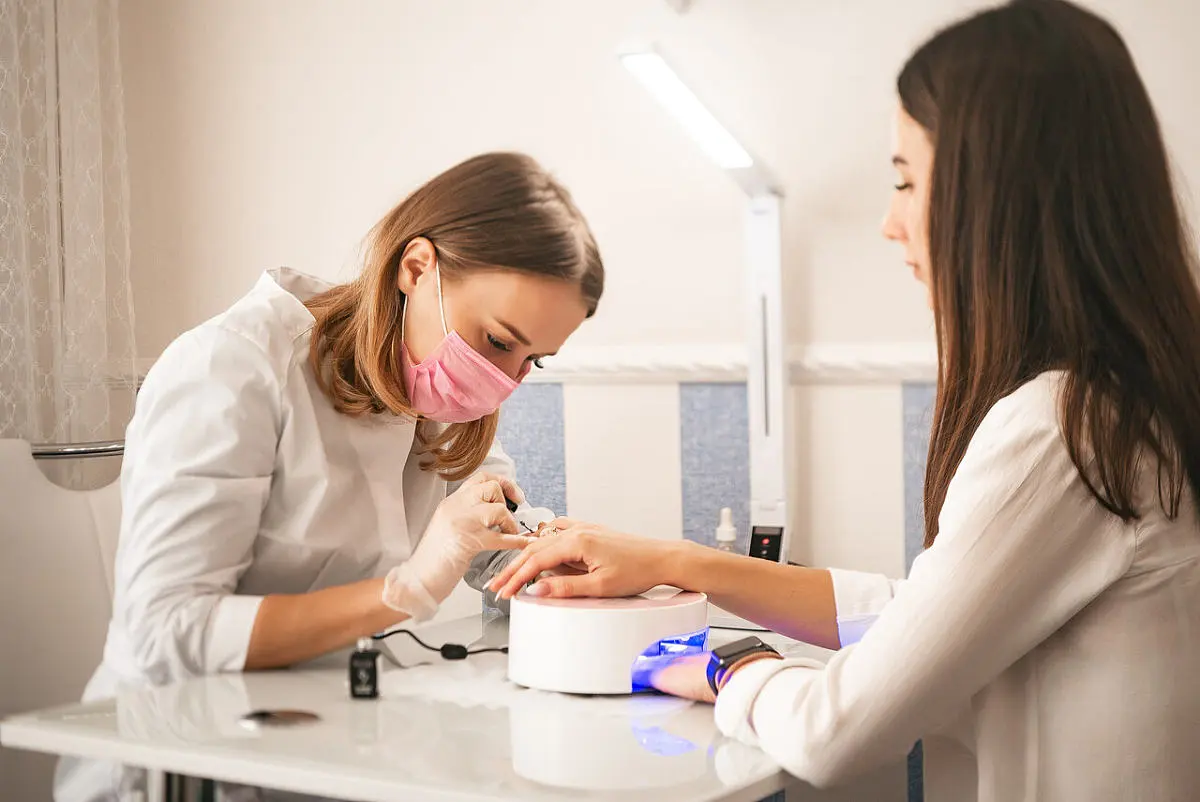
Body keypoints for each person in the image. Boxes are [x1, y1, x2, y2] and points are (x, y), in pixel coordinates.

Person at [489, 1, 1200, 799]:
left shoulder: (1063, 432)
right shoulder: (1131, 404)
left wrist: (730, 671)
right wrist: (674, 561)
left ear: (999, 194)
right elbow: (920, 619)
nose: (890, 224)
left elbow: (836, 730)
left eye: (906, 180)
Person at [56, 151, 604, 801]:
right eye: (495, 341)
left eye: (532, 361)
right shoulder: (231, 369)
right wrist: (408, 587)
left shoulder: (433, 388)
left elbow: (492, 533)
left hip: (327, 739)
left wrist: (555, 556)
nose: (503, 381)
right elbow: (165, 633)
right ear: (417, 268)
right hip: (179, 757)